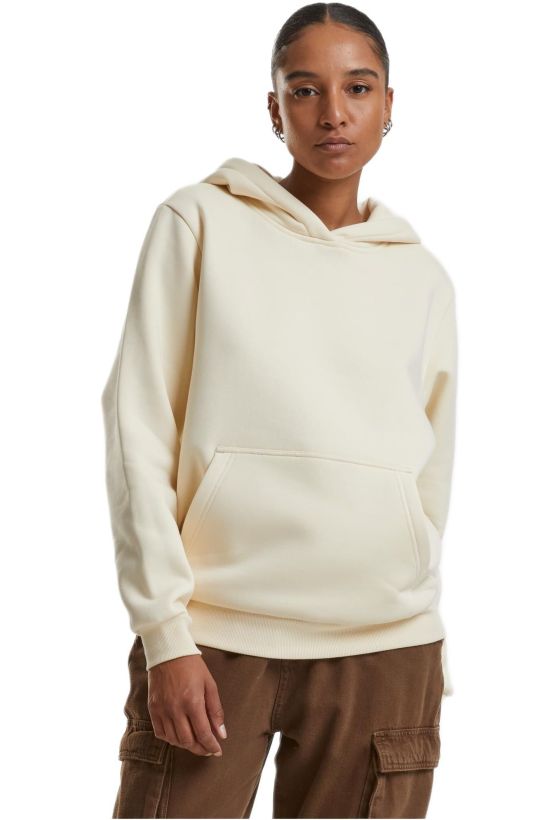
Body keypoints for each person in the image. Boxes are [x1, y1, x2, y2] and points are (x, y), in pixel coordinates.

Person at [101, 3, 459, 817]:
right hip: (214, 638)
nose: (333, 113)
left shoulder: (423, 278)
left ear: (389, 104)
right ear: (274, 107)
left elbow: (430, 470)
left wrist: (410, 593)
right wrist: (164, 632)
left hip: (385, 648)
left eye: (357, 88)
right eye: (305, 89)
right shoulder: (198, 222)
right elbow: (137, 430)